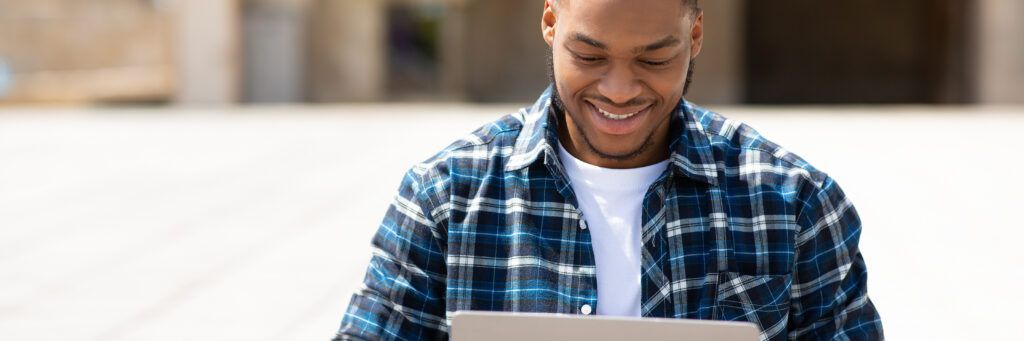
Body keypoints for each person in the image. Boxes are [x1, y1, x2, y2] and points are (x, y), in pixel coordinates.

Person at [334, 0, 883, 340]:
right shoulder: (445, 198)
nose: (619, 90)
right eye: (590, 57)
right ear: (550, 23)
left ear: (694, 39)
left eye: (654, 59)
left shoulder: (794, 203)